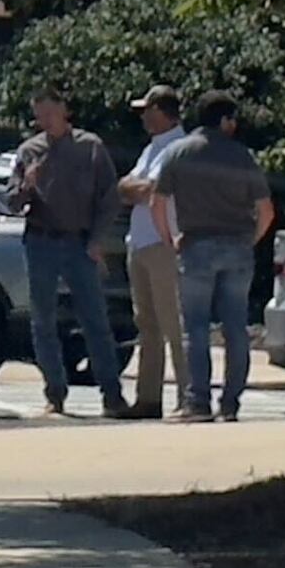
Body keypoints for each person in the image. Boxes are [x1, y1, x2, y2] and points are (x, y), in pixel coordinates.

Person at [158, 90, 277, 423]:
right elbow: (266, 210)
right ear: (224, 120)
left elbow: (158, 201)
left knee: (194, 327)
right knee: (235, 327)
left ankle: (197, 402)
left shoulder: (178, 153)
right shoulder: (241, 156)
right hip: (237, 245)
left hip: (195, 244)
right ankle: (231, 403)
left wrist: (171, 239)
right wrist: (250, 240)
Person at [10, 87, 129, 418]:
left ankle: (112, 394)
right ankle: (55, 392)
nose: (45, 120)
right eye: (39, 114)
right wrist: (27, 185)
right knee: (43, 320)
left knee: (95, 320)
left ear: (65, 110)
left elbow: (110, 197)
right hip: (40, 241)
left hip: (79, 243)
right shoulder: (28, 151)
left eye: (50, 112)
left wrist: (97, 239)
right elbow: (12, 203)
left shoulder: (90, 147)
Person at [114, 85, 184, 418]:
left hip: (164, 244)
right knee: (148, 326)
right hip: (140, 244)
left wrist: (134, 188)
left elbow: (151, 190)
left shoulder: (177, 148)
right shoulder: (152, 149)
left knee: (174, 325)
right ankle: (148, 398)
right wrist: (132, 188)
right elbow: (125, 188)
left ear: (162, 110)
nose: (143, 116)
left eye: (148, 109)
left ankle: (189, 396)